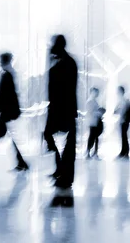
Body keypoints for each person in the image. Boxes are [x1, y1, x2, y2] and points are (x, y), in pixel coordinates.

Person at [45, 35, 78, 189]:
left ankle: (62, 171)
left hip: (60, 109)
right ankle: (63, 171)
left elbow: (57, 90)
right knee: (68, 142)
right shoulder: (69, 63)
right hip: (67, 109)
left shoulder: (61, 65)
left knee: (52, 136)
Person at [114, 86, 130, 159]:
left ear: (120, 92)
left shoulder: (123, 100)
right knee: (124, 137)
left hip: (123, 121)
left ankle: (124, 152)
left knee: (124, 137)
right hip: (125, 121)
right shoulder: (124, 100)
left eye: (118, 91)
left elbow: (122, 111)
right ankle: (125, 152)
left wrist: (117, 111)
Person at [85, 87, 104, 159]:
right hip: (93, 122)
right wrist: (100, 112)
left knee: (95, 138)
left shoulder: (94, 101)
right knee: (92, 137)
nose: (97, 94)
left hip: (95, 122)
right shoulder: (90, 101)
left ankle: (94, 152)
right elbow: (91, 112)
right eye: (96, 92)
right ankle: (89, 152)